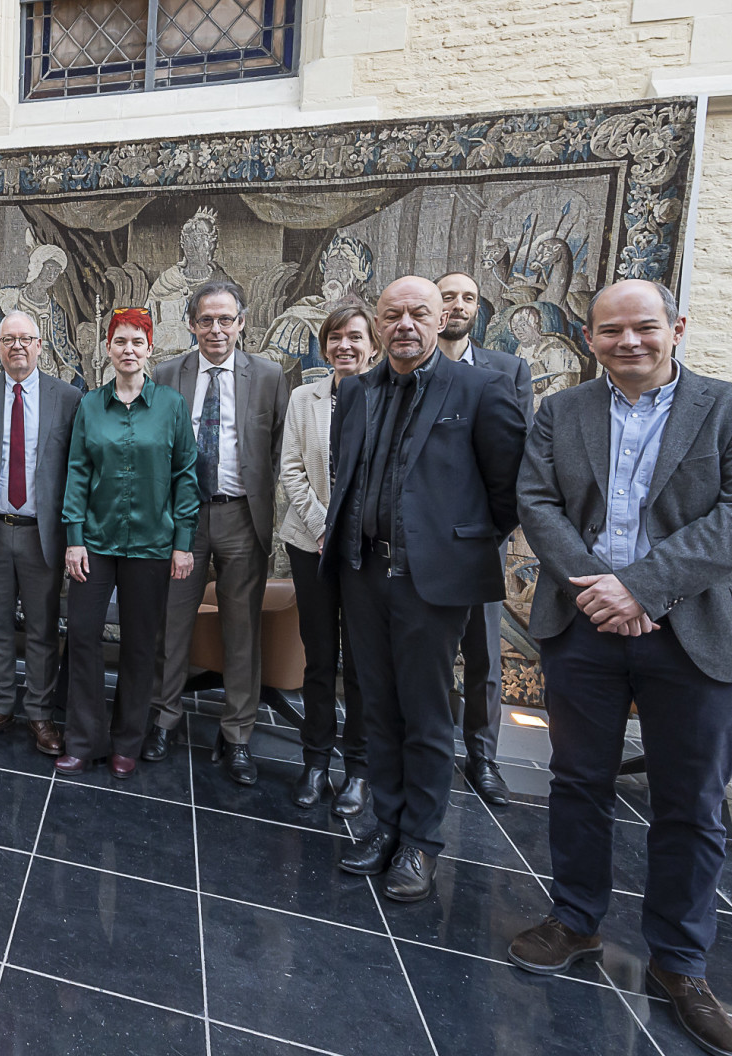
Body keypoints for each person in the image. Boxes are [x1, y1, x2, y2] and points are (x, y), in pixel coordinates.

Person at [510, 279, 732, 1056]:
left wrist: (642, 587)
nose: (628, 341)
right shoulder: (562, 413)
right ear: (589, 337)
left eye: (643, 327)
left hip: (694, 634)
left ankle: (681, 961)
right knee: (577, 782)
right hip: (585, 627)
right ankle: (574, 919)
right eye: (610, 330)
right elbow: (537, 503)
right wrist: (603, 592)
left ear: (676, 328)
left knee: (690, 803)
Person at [327, 276, 525, 903]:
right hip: (363, 573)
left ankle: (421, 841)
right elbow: (344, 472)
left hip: (430, 583)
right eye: (392, 314)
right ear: (378, 323)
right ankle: (386, 824)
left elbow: (507, 493)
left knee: (426, 713)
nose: (405, 324)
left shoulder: (481, 389)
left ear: (441, 321)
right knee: (378, 709)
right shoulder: (356, 391)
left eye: (418, 313)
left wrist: (454, 545)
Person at [148, 279, 289, 786]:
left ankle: (237, 735)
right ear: (191, 324)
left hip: (241, 518)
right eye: (206, 320)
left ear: (241, 323)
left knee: (241, 632)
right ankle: (163, 719)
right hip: (183, 519)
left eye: (226, 319)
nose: (216, 329)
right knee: (171, 624)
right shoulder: (167, 374)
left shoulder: (269, 376)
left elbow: (278, 450)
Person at [55, 309, 199, 776]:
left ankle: (127, 741)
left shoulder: (172, 406)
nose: (129, 349)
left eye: (137, 341)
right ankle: (84, 739)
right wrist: (74, 538)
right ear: (109, 348)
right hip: (95, 542)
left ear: (149, 348)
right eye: (120, 341)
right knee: (82, 635)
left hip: (152, 545)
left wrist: (183, 541)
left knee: (139, 644)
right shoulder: (90, 405)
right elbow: (77, 472)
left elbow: (185, 475)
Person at [0, 311, 81, 756]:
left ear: (39, 345)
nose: (17, 346)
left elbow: (73, 464)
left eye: (25, 339)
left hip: (41, 533)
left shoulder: (67, 397)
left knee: (42, 628)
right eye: (8, 339)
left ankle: (40, 714)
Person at [438, 270, 536, 807]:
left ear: (478, 309)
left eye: (468, 298)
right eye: (447, 296)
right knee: (423, 651)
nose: (458, 305)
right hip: (417, 535)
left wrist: (496, 528)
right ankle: (425, 751)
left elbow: (517, 456)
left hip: (480, 536)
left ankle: (482, 757)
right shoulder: (405, 365)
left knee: (482, 653)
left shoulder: (508, 370)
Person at [277, 306, 375, 813]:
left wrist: (348, 534)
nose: (344, 346)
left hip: (365, 551)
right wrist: (323, 528)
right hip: (309, 542)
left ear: (373, 345)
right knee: (318, 658)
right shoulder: (304, 397)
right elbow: (291, 470)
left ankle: (358, 770)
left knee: (361, 663)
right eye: (335, 337)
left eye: (355, 337)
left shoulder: (387, 396)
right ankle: (315, 761)